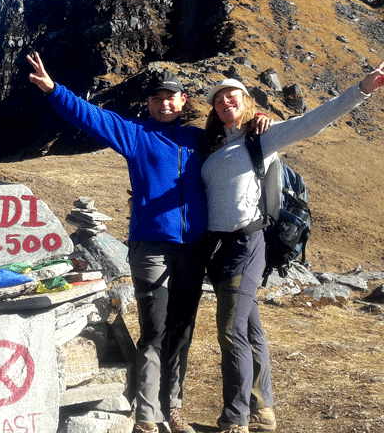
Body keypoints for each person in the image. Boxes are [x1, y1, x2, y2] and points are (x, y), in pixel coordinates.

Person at [27, 52, 270, 433]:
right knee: (155, 330)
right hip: (151, 249)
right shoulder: (136, 135)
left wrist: (258, 119)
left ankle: (171, 407)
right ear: (150, 104)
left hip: (194, 250)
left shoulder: (198, 139)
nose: (164, 103)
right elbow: (92, 117)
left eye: (171, 97)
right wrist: (54, 90)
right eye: (157, 99)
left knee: (182, 331)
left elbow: (237, 137)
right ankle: (146, 414)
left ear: (182, 101)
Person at [201, 60, 384, 433]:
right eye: (218, 100)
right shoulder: (215, 145)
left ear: (247, 100)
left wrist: (362, 89)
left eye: (231, 96)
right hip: (217, 251)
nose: (224, 103)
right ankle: (263, 411)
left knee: (231, 331)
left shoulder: (262, 137)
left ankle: (234, 419)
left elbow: (314, 120)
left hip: (246, 244)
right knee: (249, 330)